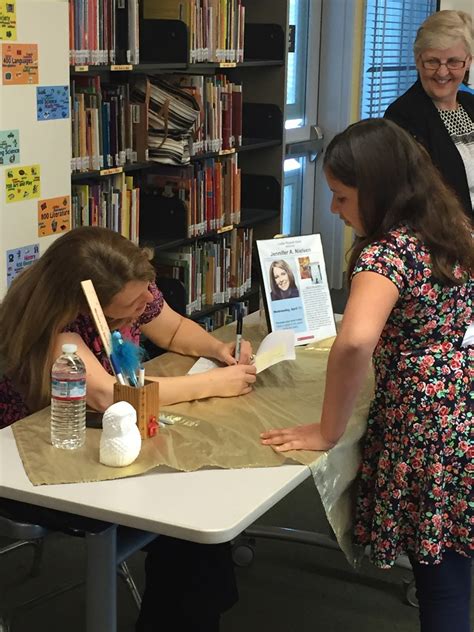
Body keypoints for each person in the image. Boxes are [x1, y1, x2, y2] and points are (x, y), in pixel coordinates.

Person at [261, 119, 473, 632]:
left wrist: (327, 431)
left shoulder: (386, 254)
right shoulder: (449, 225)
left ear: (376, 189)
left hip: (423, 421)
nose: (334, 209)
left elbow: (355, 341)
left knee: (437, 573)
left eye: (340, 196)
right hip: (460, 397)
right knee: (455, 551)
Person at [0, 226, 257, 631]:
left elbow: (170, 328)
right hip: (41, 463)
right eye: (132, 306)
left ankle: (189, 613)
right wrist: (211, 384)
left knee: (196, 510)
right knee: (185, 516)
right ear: (91, 305)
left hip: (103, 437)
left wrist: (216, 349)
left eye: (145, 296)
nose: (144, 307)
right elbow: (109, 395)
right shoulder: (56, 325)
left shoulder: (133, 289)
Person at [384, 10, 473, 219]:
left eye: (453, 61)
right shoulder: (401, 117)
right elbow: (414, 201)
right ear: (417, 60)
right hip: (445, 240)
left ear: (468, 61)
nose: (442, 72)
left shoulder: (470, 105)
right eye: (432, 61)